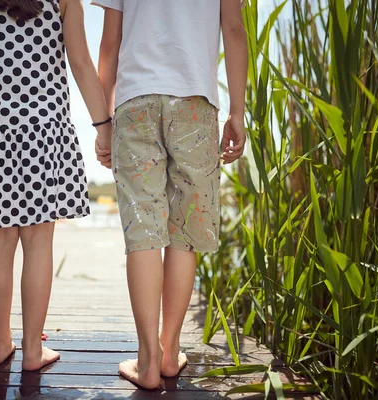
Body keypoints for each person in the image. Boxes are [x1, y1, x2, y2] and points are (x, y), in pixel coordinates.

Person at [0, 0, 112, 370]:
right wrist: (104, 126)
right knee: (38, 240)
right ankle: (32, 351)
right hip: (44, 132)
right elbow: (81, 63)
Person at [91, 0, 248, 389]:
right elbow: (233, 30)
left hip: (135, 102)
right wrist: (238, 112)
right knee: (185, 231)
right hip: (195, 101)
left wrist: (103, 122)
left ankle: (145, 360)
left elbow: (109, 43)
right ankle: (168, 350)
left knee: (144, 229)